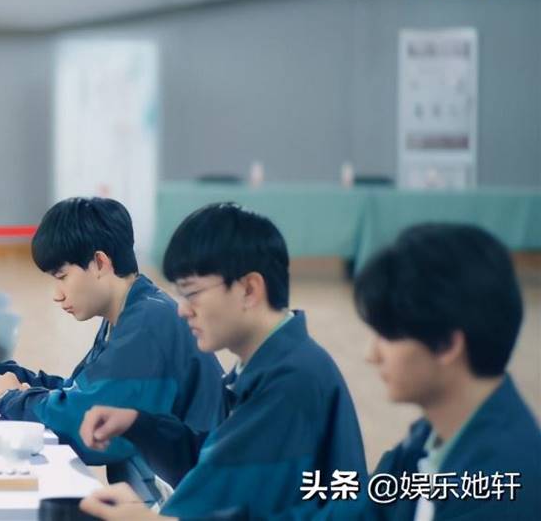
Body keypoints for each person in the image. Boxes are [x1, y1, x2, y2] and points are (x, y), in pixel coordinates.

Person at [0, 197, 223, 500]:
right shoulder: (132, 313)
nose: (57, 294)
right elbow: (77, 393)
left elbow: (87, 426)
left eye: (62, 277)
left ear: (100, 263)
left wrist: (10, 399)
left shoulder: (149, 323)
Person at [79, 203, 366, 520]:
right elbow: (215, 461)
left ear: (249, 289)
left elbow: (232, 496)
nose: (182, 310)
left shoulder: (292, 378)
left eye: (192, 293)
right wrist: (138, 425)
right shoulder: (265, 366)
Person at [347, 223, 540, 520]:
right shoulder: (431, 436)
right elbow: (365, 510)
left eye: (387, 335)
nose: (371, 355)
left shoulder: (504, 488)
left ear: (448, 344)